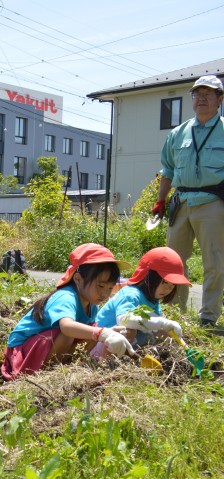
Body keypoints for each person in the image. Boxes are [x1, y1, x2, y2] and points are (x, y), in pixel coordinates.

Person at [152, 75, 224, 331]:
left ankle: (208, 317)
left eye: (208, 94)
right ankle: (174, 314)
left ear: (220, 99)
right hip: (181, 202)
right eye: (197, 94)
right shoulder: (178, 133)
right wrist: (160, 201)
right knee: (173, 262)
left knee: (214, 262)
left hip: (214, 201)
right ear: (191, 100)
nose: (202, 98)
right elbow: (168, 170)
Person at [1, 243, 133, 381]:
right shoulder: (66, 297)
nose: (105, 293)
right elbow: (67, 326)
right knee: (71, 333)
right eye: (100, 286)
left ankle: (64, 369)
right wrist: (102, 333)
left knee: (91, 331)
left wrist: (107, 332)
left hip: (45, 348)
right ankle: (44, 376)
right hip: (22, 354)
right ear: (77, 279)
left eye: (110, 288)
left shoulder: (92, 303)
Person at [91, 247, 189, 359]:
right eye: (165, 282)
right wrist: (163, 323)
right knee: (128, 331)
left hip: (125, 347)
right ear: (149, 276)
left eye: (172, 285)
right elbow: (124, 319)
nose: (168, 289)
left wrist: (181, 343)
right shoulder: (130, 294)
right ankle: (105, 363)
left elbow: (156, 329)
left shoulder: (153, 301)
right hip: (99, 344)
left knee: (162, 333)